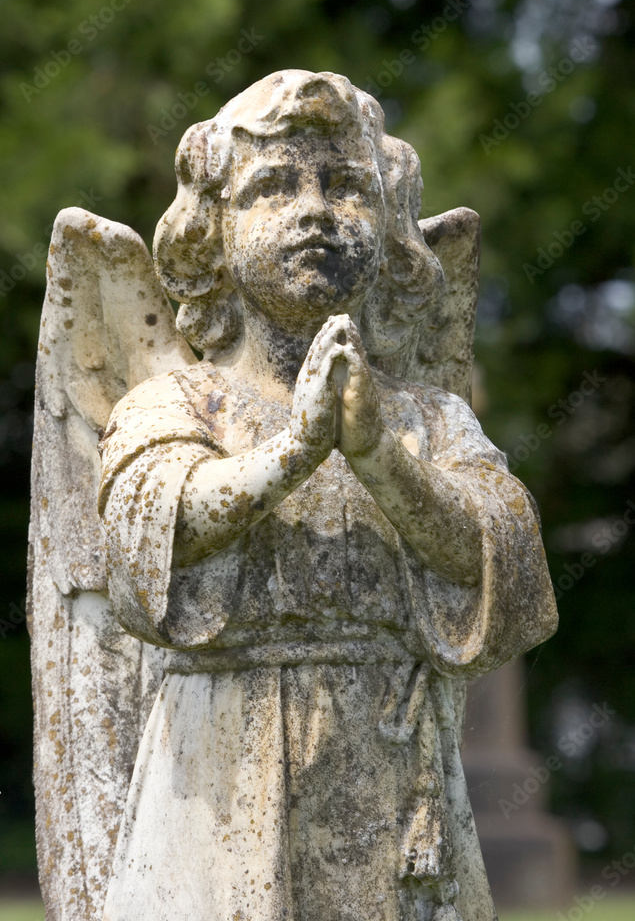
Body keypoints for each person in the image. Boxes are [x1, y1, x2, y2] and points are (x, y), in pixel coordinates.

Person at [98, 70, 557, 921]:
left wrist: (379, 453)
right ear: (212, 231)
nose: (314, 210)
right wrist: (295, 451)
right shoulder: (176, 403)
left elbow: (507, 554)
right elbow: (148, 529)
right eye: (273, 185)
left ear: (389, 231)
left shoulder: (426, 416)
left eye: (345, 185)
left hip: (393, 781)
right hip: (215, 782)